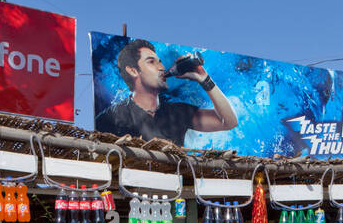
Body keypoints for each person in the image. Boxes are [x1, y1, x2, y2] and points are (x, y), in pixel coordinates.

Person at [95, 38, 239, 145]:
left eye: (160, 61)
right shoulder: (110, 118)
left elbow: (229, 122)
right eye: (151, 62)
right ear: (133, 70)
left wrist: (204, 79)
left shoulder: (177, 112)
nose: (161, 67)